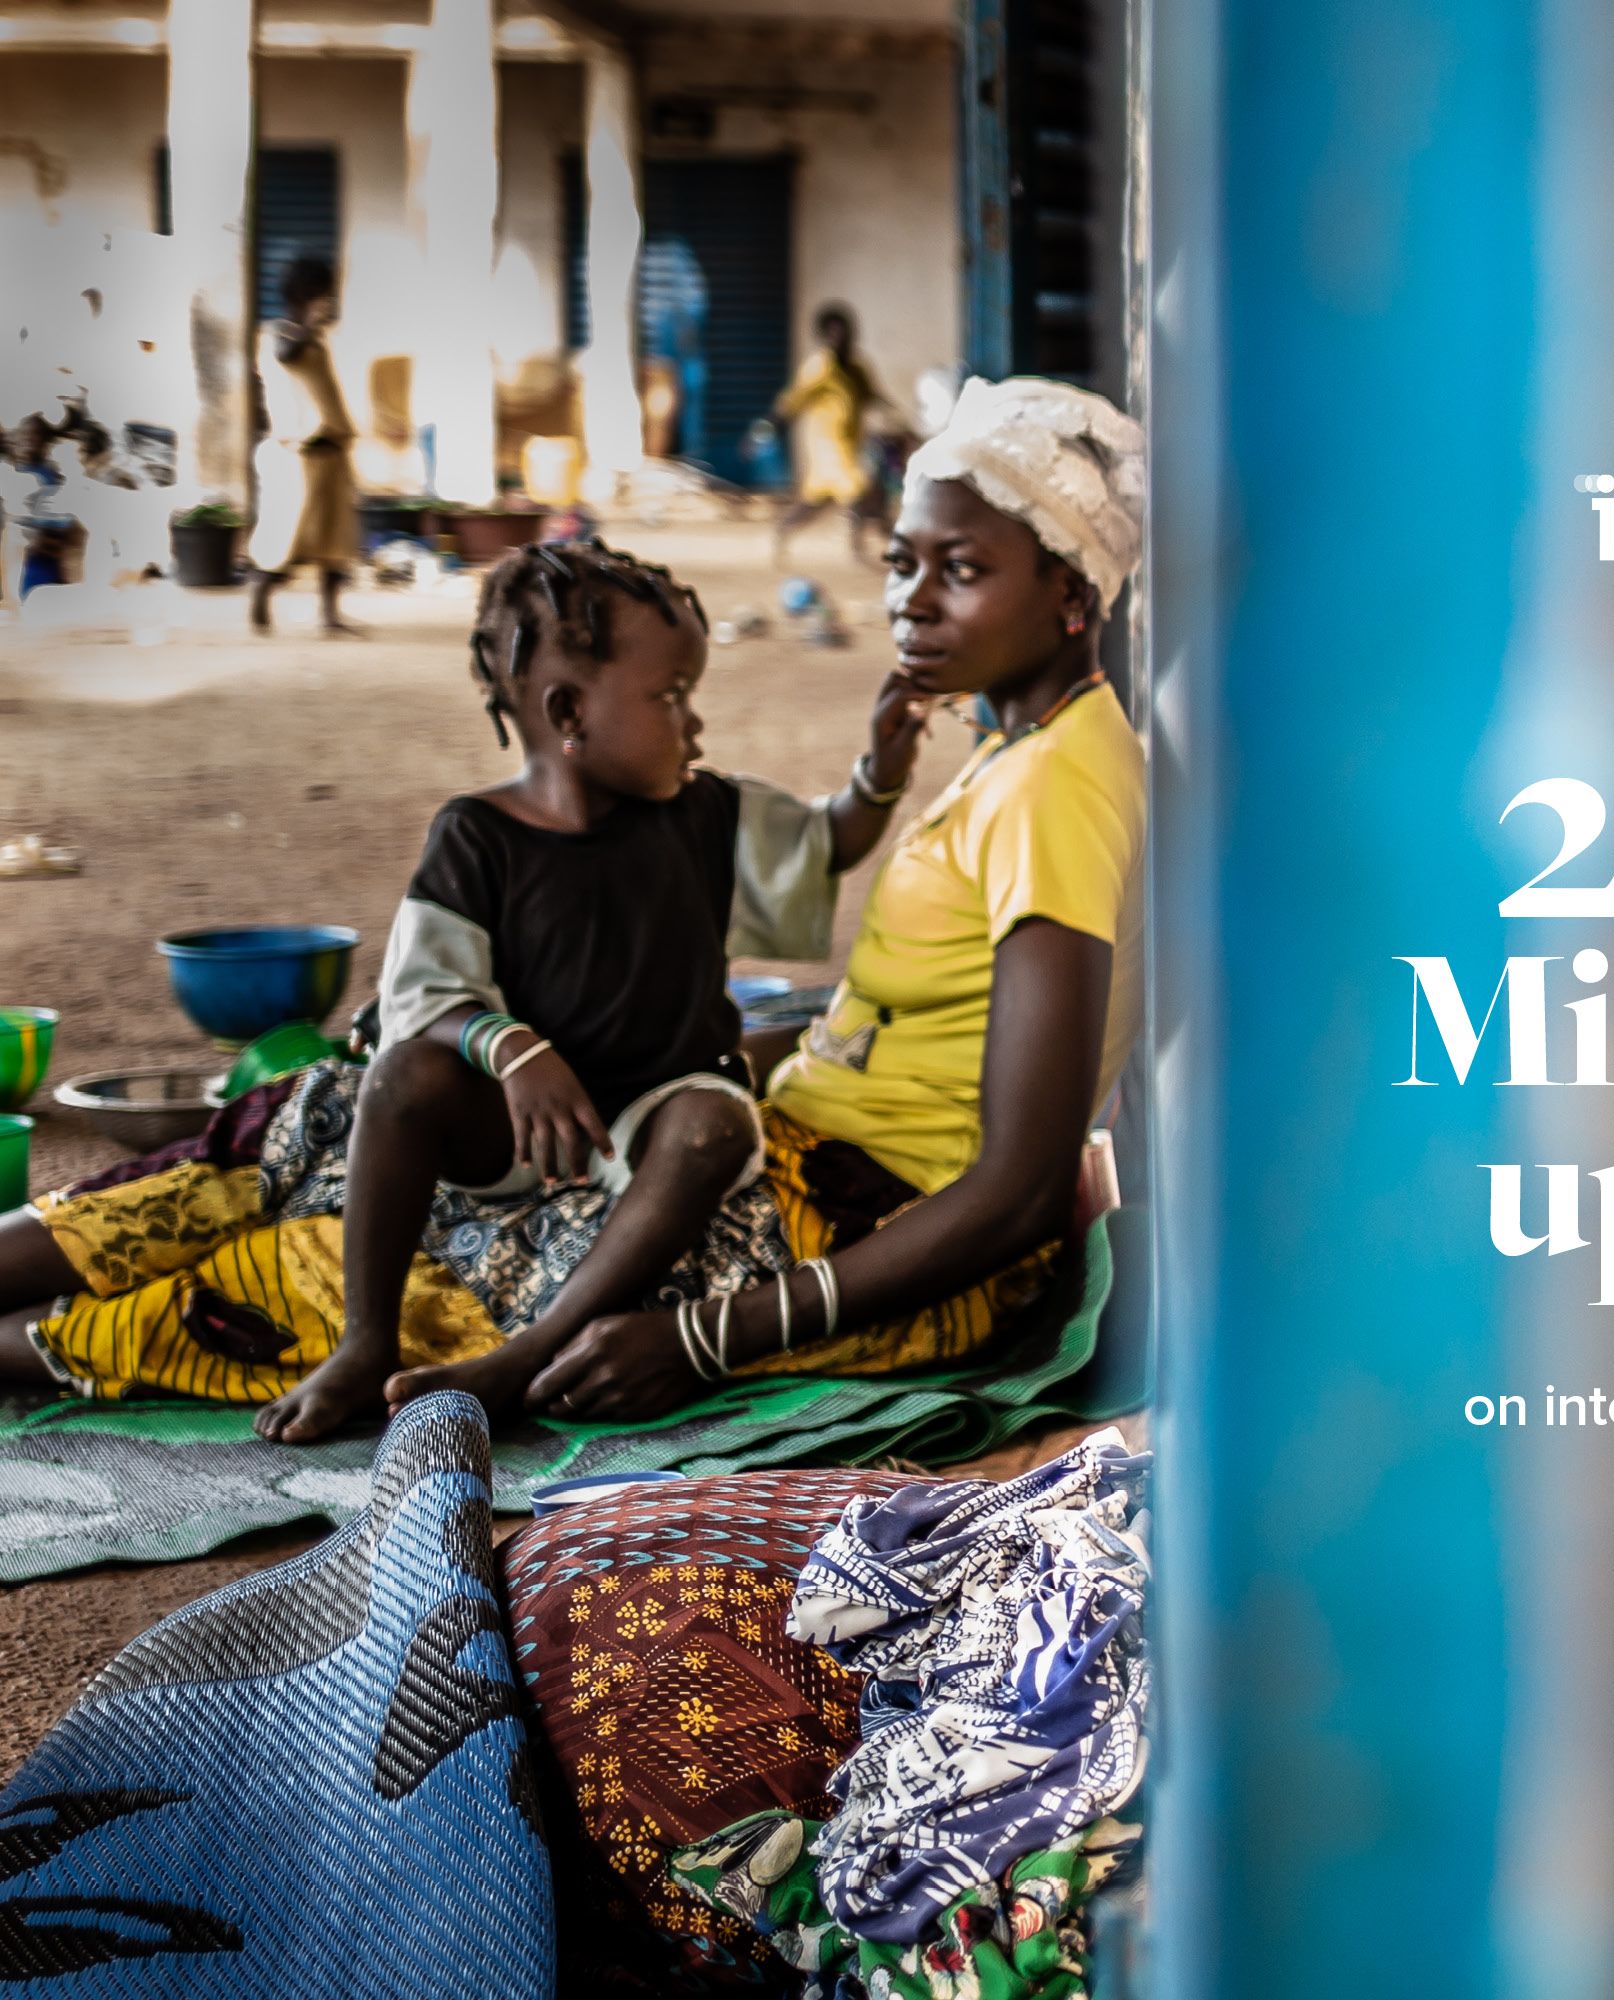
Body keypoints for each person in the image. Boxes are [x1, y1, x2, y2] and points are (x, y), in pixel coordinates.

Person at [0, 379, 1144, 1433]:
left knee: (348, 1265)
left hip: (847, 1225)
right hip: (777, 1151)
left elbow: (1020, 1186)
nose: (911, 602)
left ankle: (52, 1341)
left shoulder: (1056, 790)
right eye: (902, 562)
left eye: (962, 569)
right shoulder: (1019, 754)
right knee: (314, 1127)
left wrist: (700, 1337)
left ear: (1072, 597)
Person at [235, 540, 922, 1439]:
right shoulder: (477, 837)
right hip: (519, 1127)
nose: (695, 725)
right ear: (567, 712)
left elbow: (825, 842)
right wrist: (514, 1050)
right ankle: (366, 1342)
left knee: (716, 1125)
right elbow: (424, 996)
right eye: (671, 698)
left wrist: (881, 773)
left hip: (652, 1112)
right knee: (400, 1076)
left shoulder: (705, 815)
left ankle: (527, 1357)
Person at [248, 255, 363, 636]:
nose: (327, 300)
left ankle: (330, 614)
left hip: (331, 449)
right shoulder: (276, 334)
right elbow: (285, 356)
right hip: (296, 454)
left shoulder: (315, 340)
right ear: (302, 294)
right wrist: (307, 327)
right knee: (285, 534)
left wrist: (312, 331)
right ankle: (261, 599)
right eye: (320, 293)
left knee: (337, 539)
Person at [771, 305, 885, 568]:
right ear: (824, 336)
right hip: (826, 443)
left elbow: (871, 394)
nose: (839, 339)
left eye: (843, 333)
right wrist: (770, 426)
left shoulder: (857, 366)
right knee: (856, 486)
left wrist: (893, 415)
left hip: (849, 442)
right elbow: (792, 401)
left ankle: (784, 529)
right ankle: (857, 549)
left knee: (819, 499)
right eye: (832, 334)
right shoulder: (818, 367)